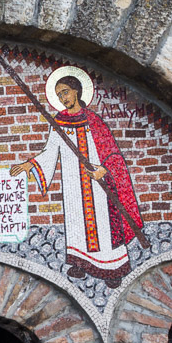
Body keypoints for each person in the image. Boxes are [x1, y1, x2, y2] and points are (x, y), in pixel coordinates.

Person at [12, 69, 143, 285]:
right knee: (77, 222)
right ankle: (80, 263)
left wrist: (104, 170)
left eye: (65, 92)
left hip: (97, 183)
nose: (63, 98)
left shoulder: (93, 120)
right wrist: (30, 165)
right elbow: (50, 151)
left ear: (77, 91)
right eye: (59, 94)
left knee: (103, 223)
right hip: (73, 182)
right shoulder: (59, 122)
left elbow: (112, 152)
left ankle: (112, 268)